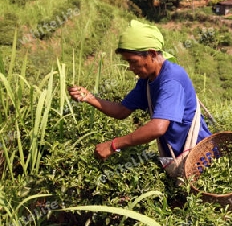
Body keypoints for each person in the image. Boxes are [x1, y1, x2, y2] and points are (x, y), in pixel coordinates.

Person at [68, 20, 212, 177]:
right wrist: (89, 97)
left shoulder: (171, 79)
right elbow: (122, 111)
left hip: (200, 157)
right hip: (173, 155)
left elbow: (158, 127)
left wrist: (113, 145)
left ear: (151, 53)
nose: (130, 67)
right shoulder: (148, 80)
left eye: (133, 61)